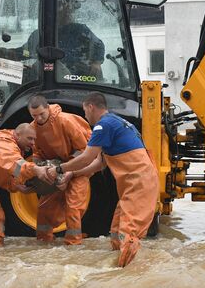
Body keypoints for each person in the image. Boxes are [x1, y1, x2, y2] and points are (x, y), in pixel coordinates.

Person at [46, 92, 158, 267]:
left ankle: (128, 277)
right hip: (137, 183)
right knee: (116, 231)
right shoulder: (117, 123)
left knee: (128, 233)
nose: (85, 115)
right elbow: (99, 164)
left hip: (139, 184)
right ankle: (117, 270)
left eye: (85, 111)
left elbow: (86, 158)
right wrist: (72, 174)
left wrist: (59, 169)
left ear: (91, 107)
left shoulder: (103, 126)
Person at [27, 94, 91, 245]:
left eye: (41, 114)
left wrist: (68, 173)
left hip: (78, 167)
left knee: (73, 207)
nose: (39, 119)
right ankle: (43, 242)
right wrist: (39, 170)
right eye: (34, 116)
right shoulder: (33, 128)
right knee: (44, 208)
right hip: (55, 169)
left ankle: (73, 245)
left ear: (48, 108)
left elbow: (84, 151)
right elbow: (37, 153)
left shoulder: (65, 121)